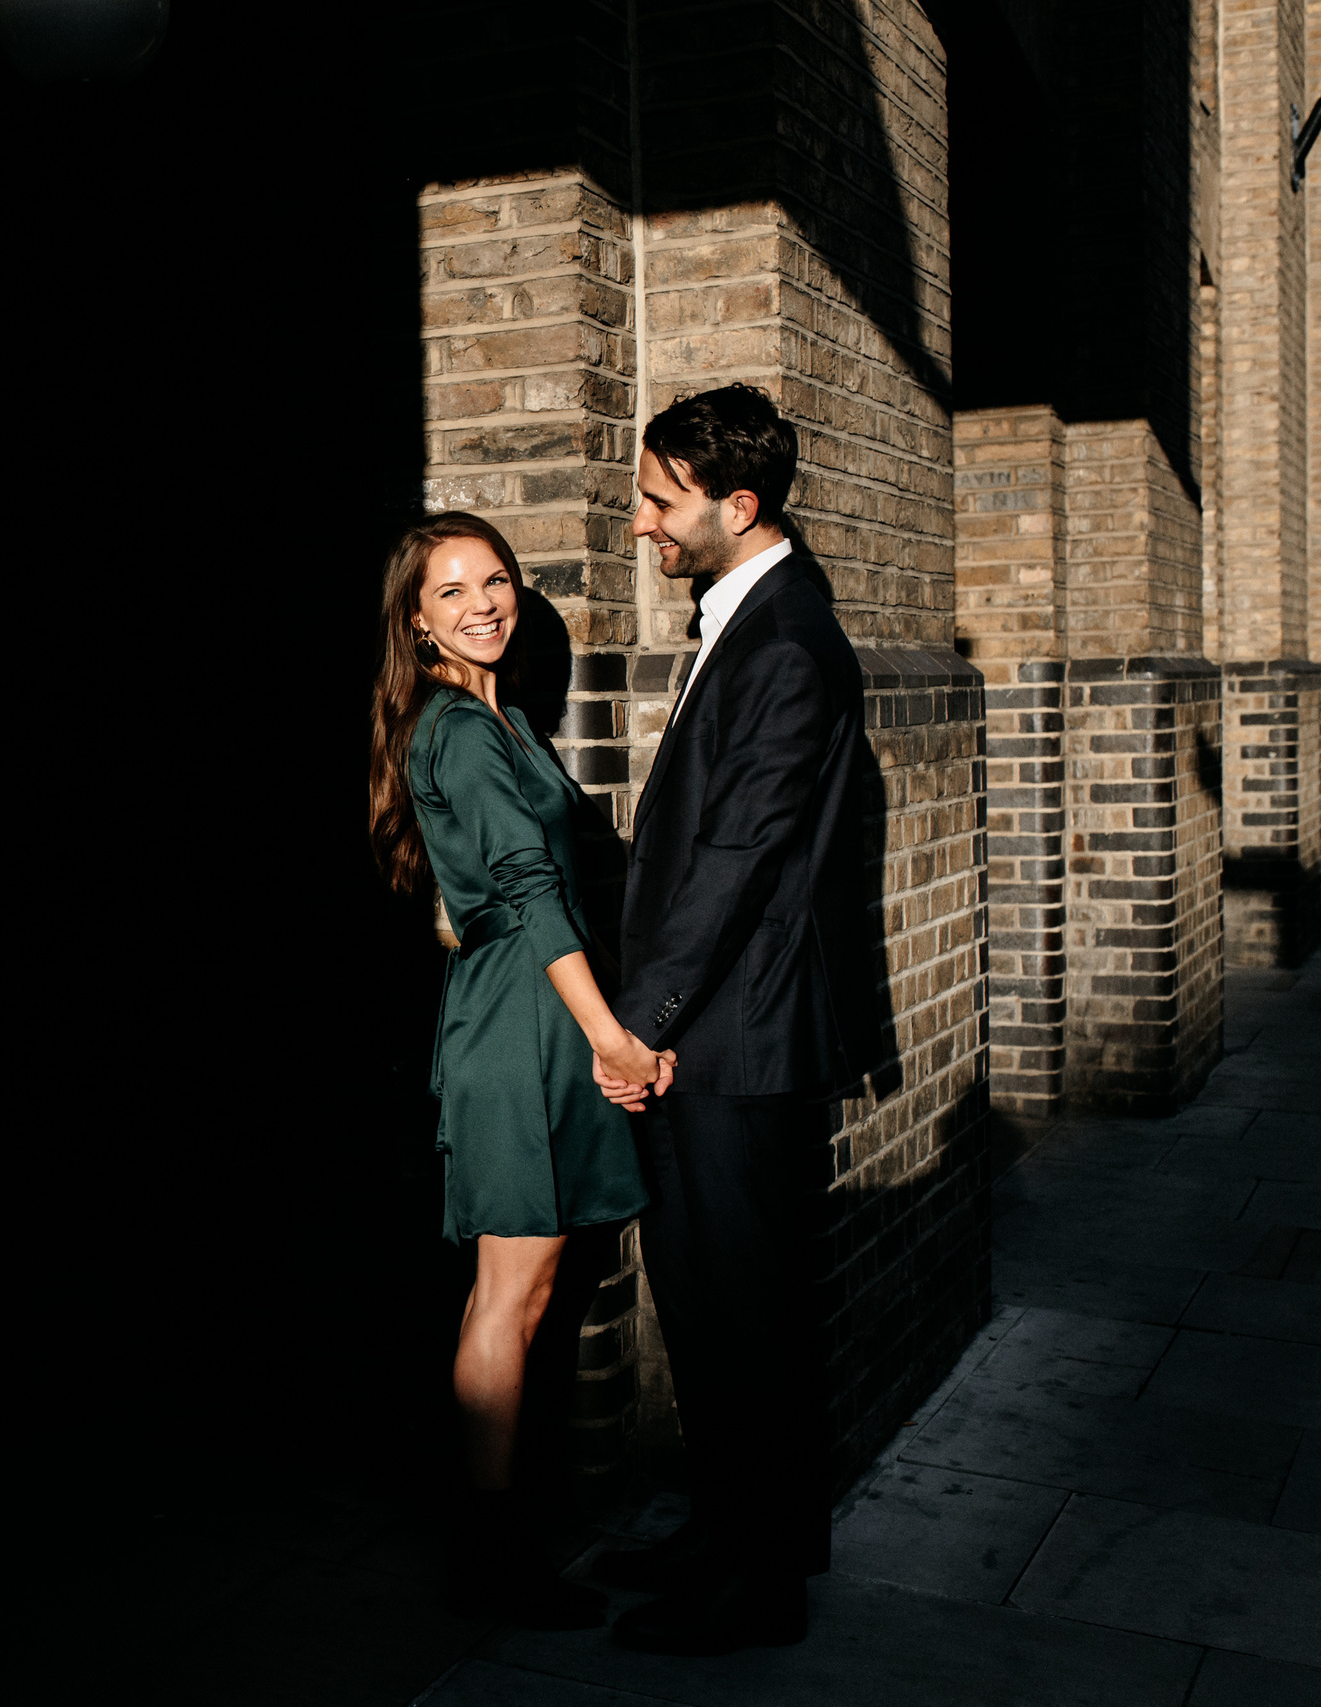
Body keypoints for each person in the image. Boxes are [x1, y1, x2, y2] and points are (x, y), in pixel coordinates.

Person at [589, 383, 871, 1655]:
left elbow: (739, 856)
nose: (642, 522)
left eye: (659, 500)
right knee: (714, 1313)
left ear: (733, 505)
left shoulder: (788, 643)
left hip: (733, 1039)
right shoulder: (747, 620)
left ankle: (753, 1589)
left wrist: (642, 1023)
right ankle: (730, 1537)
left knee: (739, 1320)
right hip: (718, 1027)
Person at [367, 512, 669, 1629]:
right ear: (415, 618)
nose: (482, 604)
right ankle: (486, 1556)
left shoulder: (503, 717)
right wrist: (611, 1036)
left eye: (494, 581)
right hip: (522, 1022)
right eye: (450, 592)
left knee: (537, 1285)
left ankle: (499, 1534)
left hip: (539, 1004)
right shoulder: (451, 728)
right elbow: (529, 892)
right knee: (511, 1287)